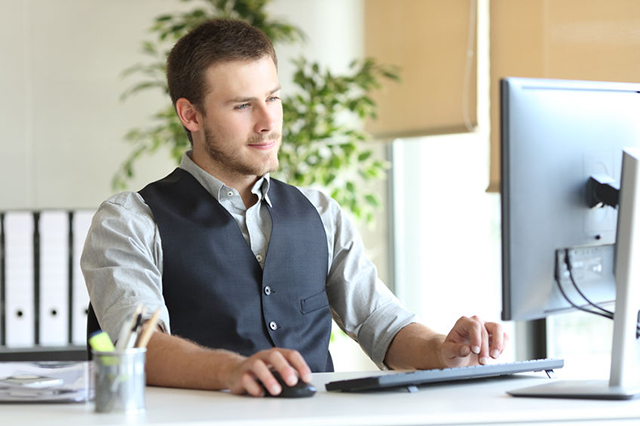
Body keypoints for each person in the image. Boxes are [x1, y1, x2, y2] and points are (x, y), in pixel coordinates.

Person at [81, 18, 507, 398]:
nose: (269, 122)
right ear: (190, 115)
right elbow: (138, 347)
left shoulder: (320, 212)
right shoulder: (130, 220)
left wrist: (442, 349)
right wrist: (232, 370)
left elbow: (382, 324)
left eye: (274, 98)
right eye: (243, 105)